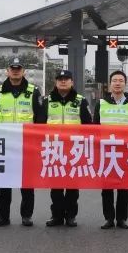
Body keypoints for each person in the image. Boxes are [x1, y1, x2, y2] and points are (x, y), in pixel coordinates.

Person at [0, 58, 44, 228]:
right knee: (3, 185)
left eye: (18, 69)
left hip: (26, 146)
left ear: (24, 72)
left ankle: (26, 216)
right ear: (7, 71)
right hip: (4, 146)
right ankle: (3, 216)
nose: (15, 71)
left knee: (27, 184)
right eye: (12, 68)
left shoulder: (34, 92)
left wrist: (37, 143)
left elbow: (40, 118)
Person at [43, 69, 93, 227]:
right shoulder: (46, 101)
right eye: (60, 79)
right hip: (53, 149)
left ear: (72, 82)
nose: (63, 81)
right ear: (56, 82)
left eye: (66, 79)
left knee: (72, 186)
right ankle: (56, 216)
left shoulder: (81, 101)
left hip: (74, 150)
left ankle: (71, 216)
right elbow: (39, 125)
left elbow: (88, 125)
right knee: (56, 186)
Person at [95, 69, 128, 230]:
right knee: (106, 187)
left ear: (125, 84)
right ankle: (109, 218)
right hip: (106, 152)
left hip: (126, 152)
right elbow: (94, 128)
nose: (117, 83)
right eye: (114, 80)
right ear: (110, 84)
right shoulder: (101, 103)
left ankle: (122, 218)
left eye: (121, 81)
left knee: (124, 187)